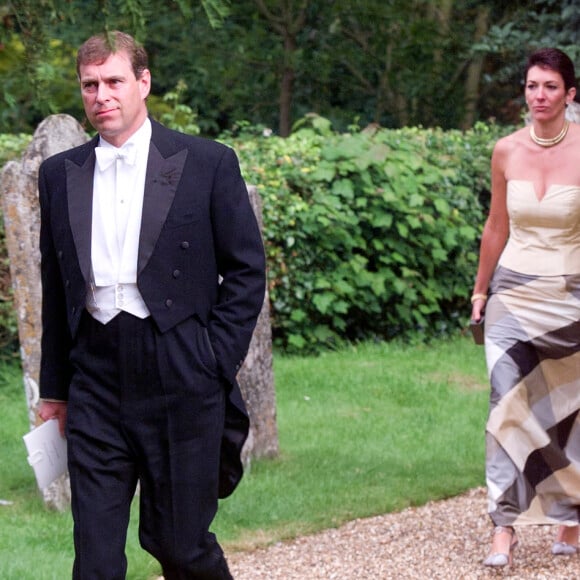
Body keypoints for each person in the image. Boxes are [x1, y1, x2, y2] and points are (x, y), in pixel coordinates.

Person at [37, 30, 266, 579]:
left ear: (143, 82)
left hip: (180, 369)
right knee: (94, 559)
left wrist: (214, 361)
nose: (101, 95)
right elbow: (56, 287)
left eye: (114, 81)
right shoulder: (59, 174)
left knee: (179, 546)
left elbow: (245, 271)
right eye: (89, 84)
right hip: (94, 376)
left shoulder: (207, 163)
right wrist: (54, 390)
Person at [471, 47, 580, 568]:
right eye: (533, 86)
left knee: (568, 409)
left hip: (570, 294)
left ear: (570, 94)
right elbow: (496, 225)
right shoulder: (506, 150)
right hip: (512, 295)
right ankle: (503, 527)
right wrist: (480, 290)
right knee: (506, 404)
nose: (540, 96)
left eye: (551, 87)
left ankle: (568, 516)